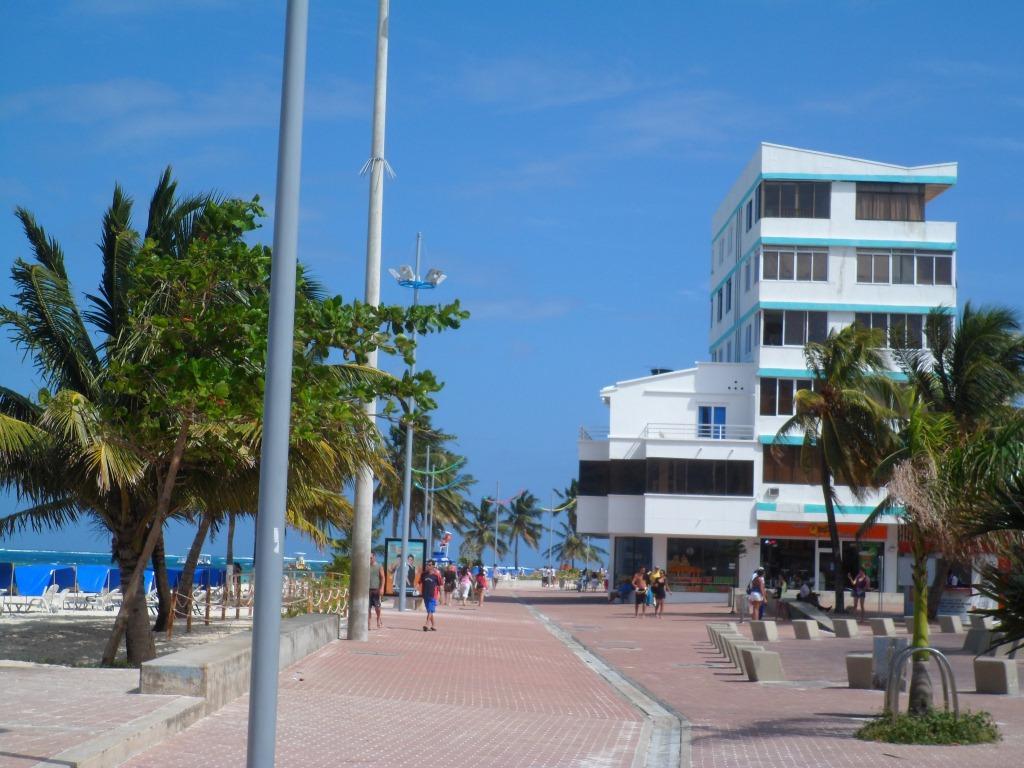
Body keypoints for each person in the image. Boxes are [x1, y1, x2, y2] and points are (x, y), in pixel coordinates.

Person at [418, 560, 441, 631]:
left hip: (433, 595)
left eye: (430, 565)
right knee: (429, 611)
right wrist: (416, 589)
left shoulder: (437, 575)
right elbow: (419, 582)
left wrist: (440, 597)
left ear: (433, 566)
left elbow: (440, 586)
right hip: (425, 595)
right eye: (427, 564)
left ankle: (426, 624)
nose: (428, 566)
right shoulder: (423, 574)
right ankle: (434, 625)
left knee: (430, 610)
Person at [368, 553, 385, 630]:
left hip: (376, 590)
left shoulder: (379, 566)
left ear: (374, 557)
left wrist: (381, 588)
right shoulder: (366, 566)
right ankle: (369, 624)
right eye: (368, 558)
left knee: (377, 608)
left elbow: (383, 578)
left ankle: (378, 619)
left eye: (371, 558)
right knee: (367, 608)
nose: (370, 559)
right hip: (367, 590)